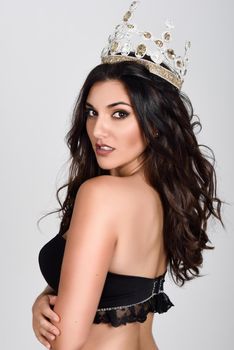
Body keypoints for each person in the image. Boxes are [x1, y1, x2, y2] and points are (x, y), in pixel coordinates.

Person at [32, 2, 223, 350]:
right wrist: (46, 298)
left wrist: (51, 317)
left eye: (119, 114)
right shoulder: (162, 197)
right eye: (92, 112)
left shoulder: (101, 194)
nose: (98, 130)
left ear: (154, 123)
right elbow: (108, 282)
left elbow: (68, 341)